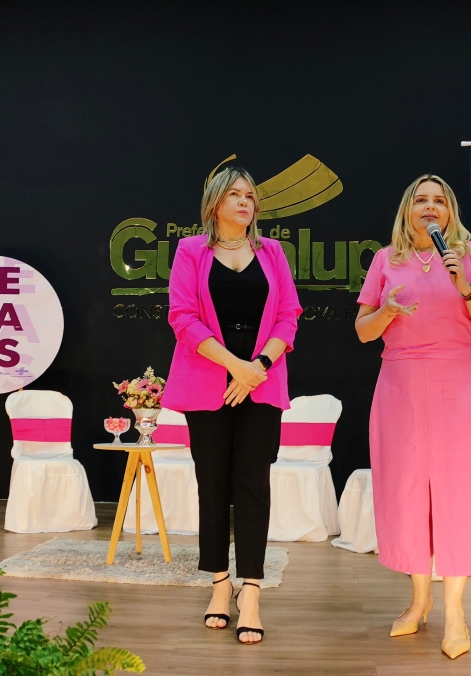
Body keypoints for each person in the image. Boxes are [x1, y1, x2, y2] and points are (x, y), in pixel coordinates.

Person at [355, 174, 471, 659]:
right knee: (407, 492)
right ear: (408, 210)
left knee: (461, 493)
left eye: (439, 200)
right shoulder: (386, 259)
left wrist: (466, 288)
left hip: (461, 384)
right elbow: (363, 331)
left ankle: (455, 611)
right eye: (421, 200)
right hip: (401, 385)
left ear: (450, 211)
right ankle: (420, 601)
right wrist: (387, 312)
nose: (430, 207)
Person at [163, 166, 302, 644]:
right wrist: (233, 367)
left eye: (250, 195)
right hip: (208, 380)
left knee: (253, 484)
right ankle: (220, 585)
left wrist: (256, 366)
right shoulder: (190, 251)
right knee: (213, 483)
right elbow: (182, 317)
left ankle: (252, 592)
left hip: (261, 380)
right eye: (235, 194)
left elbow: (289, 315)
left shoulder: (273, 252)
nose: (245, 202)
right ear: (215, 203)